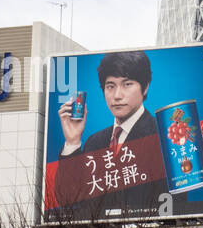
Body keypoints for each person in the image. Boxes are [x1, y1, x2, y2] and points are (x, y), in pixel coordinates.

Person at [52, 51, 174, 219]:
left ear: (145, 87)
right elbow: (69, 201)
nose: (117, 96)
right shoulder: (95, 142)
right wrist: (72, 142)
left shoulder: (163, 136)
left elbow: (176, 205)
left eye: (127, 84)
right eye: (110, 86)